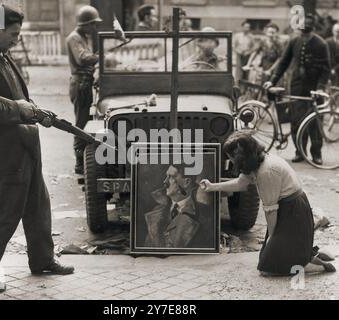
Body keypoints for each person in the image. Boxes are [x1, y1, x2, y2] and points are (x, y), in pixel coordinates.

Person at [0, 4, 74, 294]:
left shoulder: (3, 57)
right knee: (7, 211)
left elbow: (19, 99)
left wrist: (37, 112)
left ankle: (41, 260)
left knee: (38, 205)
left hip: (25, 144)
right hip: (7, 151)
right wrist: (21, 108)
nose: (17, 39)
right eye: (13, 33)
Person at [200, 131, 336, 276]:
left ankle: (315, 266)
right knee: (269, 259)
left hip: (294, 213)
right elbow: (241, 184)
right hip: (291, 209)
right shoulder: (257, 160)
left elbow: (270, 210)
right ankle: (306, 255)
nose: (230, 161)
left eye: (231, 157)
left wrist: (272, 239)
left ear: (240, 158)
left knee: (267, 269)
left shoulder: (266, 172)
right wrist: (212, 186)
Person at [264, 13, 330, 165]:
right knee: (296, 121)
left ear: (312, 28)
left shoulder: (321, 44)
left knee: (315, 122)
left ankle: (316, 153)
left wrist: (320, 87)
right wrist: (272, 81)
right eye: (301, 27)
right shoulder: (294, 41)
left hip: (314, 88)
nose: (304, 31)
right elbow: (283, 63)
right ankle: (300, 151)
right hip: (297, 86)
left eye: (307, 27)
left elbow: (326, 68)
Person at [66, 5, 102, 174]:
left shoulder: (82, 37)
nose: (95, 28)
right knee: (81, 124)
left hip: (84, 83)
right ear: (85, 24)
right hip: (80, 84)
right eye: (93, 24)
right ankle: (80, 164)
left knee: (87, 122)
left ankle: (83, 162)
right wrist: (100, 56)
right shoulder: (74, 38)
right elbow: (82, 59)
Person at [144, 165, 213, 248]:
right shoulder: (157, 210)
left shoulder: (205, 215)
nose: (165, 182)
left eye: (171, 177)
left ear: (186, 182)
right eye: (167, 176)